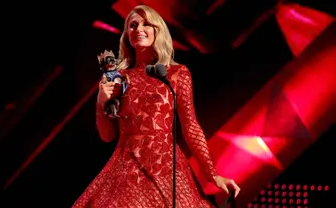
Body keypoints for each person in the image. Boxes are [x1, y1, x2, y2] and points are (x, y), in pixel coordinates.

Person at [73, 5, 240, 208]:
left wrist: (213, 176)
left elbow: (191, 126)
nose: (138, 29)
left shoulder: (177, 74)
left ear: (157, 29)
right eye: (132, 25)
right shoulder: (119, 78)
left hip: (167, 168)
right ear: (127, 35)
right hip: (129, 170)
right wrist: (101, 103)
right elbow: (107, 135)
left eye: (145, 23)